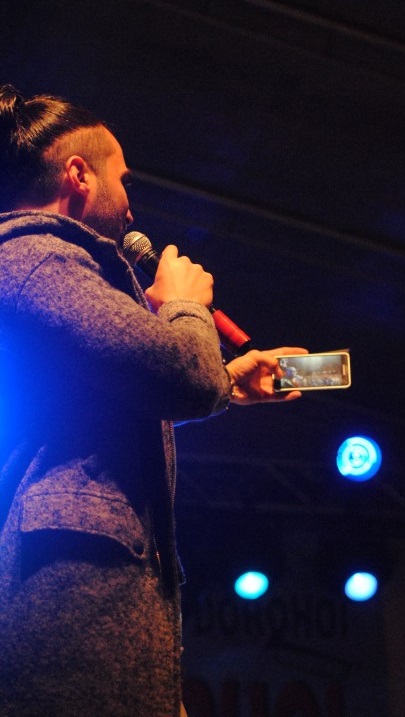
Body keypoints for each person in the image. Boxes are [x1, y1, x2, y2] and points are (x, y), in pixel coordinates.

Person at [0, 84, 306, 717]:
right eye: (123, 180)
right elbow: (182, 378)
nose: (131, 206)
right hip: (68, 620)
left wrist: (226, 382)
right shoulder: (35, 259)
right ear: (79, 175)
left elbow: (93, 413)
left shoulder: (42, 268)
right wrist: (185, 304)